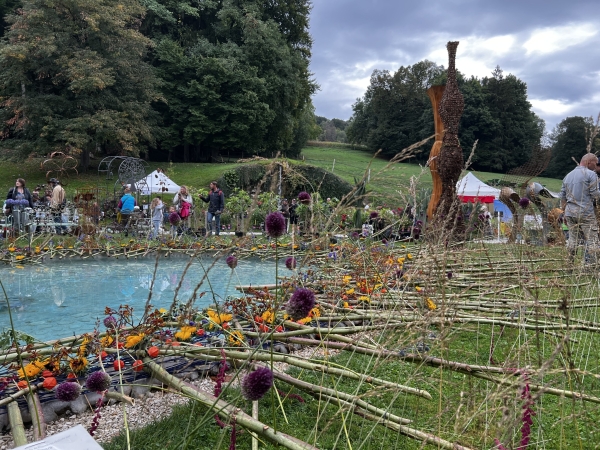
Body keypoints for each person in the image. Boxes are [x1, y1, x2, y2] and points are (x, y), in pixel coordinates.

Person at [560, 153, 600, 266]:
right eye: (595, 163)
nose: (596, 166)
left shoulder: (568, 175)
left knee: (573, 240)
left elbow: (562, 196)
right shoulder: (591, 174)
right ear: (589, 162)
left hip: (570, 212)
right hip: (586, 213)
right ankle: (593, 268)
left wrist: (564, 213)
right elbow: (596, 195)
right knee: (592, 240)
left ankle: (569, 265)